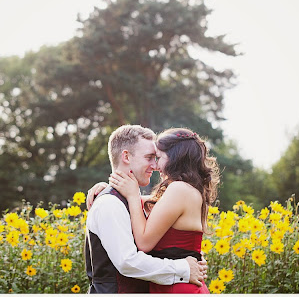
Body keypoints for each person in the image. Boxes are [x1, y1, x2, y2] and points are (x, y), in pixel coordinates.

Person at [84, 124, 207, 293]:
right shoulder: (110, 203)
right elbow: (128, 262)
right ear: (126, 156)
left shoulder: (134, 199)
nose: (155, 166)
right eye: (149, 157)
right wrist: (184, 267)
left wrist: (192, 259)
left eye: (156, 158)